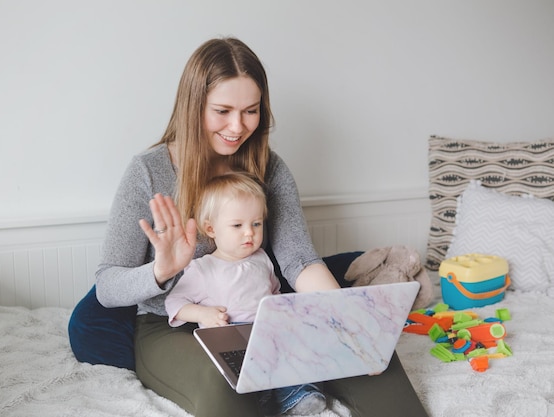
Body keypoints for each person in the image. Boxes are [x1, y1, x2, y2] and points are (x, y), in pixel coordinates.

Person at [68, 37, 429, 417]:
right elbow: (108, 285)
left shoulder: (269, 167)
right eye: (222, 111)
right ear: (194, 107)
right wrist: (162, 271)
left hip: (259, 316)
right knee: (226, 381)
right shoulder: (147, 171)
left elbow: (299, 261)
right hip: (172, 326)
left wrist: (348, 323)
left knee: (373, 355)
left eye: (251, 111)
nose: (237, 127)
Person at [165, 172, 327, 416]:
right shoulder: (203, 268)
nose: (249, 233)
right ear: (211, 229)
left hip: (266, 325)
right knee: (252, 368)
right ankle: (261, 400)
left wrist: (282, 310)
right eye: (237, 225)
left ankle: (297, 396)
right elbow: (174, 302)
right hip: (231, 333)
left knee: (294, 350)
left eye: (256, 224)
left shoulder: (262, 259)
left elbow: (273, 289)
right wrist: (203, 313)